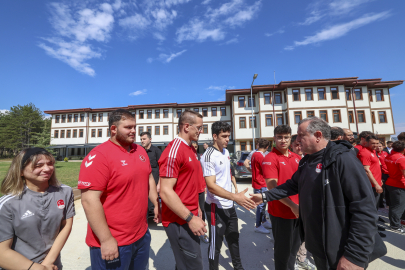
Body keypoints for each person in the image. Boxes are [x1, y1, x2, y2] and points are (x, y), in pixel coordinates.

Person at [250, 117, 386, 270]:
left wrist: (355, 256)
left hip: (341, 250)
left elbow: (364, 210)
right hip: (319, 246)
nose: (297, 139)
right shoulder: (307, 161)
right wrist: (264, 196)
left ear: (318, 136)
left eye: (301, 135)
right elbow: (292, 185)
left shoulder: (343, 159)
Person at [78, 109, 160, 270]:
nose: (134, 131)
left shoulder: (140, 150)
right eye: (128, 127)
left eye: (135, 127)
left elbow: (149, 177)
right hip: (114, 241)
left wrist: (155, 203)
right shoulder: (99, 156)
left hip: (141, 235)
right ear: (113, 129)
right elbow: (89, 200)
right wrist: (106, 239)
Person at [0, 148, 75, 270]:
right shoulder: (8, 204)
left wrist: (47, 262)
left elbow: (66, 225)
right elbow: (2, 253)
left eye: (50, 163)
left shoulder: (65, 192)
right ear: (21, 171)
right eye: (38, 165)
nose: (47, 169)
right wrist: (37, 268)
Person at [201, 121, 255, 270]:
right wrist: (235, 197)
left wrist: (235, 191)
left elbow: (227, 175)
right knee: (215, 244)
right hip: (215, 207)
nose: (227, 139)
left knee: (233, 239)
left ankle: (238, 267)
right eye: (224, 136)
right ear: (214, 136)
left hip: (229, 205)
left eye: (228, 136)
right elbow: (211, 186)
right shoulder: (208, 156)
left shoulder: (225, 152)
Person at [159, 110, 207, 270]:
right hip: (179, 220)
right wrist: (190, 218)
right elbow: (165, 191)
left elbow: (190, 184)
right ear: (187, 126)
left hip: (190, 216)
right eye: (199, 128)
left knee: (185, 264)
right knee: (192, 265)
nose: (201, 131)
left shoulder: (190, 149)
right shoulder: (174, 151)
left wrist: (198, 208)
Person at [261, 125, 302, 270]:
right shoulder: (270, 158)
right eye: (279, 137)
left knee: (294, 250)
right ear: (274, 139)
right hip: (281, 212)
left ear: (291, 138)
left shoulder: (297, 157)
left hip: (298, 212)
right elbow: (273, 188)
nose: (283, 140)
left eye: (286, 137)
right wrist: (293, 206)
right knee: (282, 252)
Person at [291, 136, 316, 270]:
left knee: (305, 236)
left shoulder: (307, 159)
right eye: (296, 145)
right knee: (294, 236)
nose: (299, 147)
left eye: (301, 144)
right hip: (293, 204)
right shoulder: (290, 159)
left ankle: (302, 259)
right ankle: (292, 260)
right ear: (292, 146)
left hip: (306, 204)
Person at [357, 135, 387, 237]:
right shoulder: (364, 152)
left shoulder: (373, 151)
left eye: (377, 143)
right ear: (366, 142)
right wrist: (376, 184)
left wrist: (380, 181)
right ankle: (371, 232)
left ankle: (374, 228)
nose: (375, 145)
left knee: (374, 208)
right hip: (371, 186)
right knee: (370, 209)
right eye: (373, 143)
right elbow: (366, 170)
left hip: (376, 184)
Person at [251, 138, 272, 234]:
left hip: (257, 182)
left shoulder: (254, 154)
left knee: (262, 204)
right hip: (261, 183)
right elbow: (265, 171)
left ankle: (263, 220)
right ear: (267, 147)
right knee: (261, 205)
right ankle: (258, 225)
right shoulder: (261, 156)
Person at [140, 131, 162, 217]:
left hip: (154, 183)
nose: (142, 141)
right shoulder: (140, 151)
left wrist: (159, 184)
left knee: (152, 205)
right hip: (142, 182)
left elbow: (162, 168)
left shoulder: (157, 151)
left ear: (150, 139)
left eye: (144, 139)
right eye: (141, 139)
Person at [384, 141, 405, 233]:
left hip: (391, 182)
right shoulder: (401, 158)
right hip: (399, 184)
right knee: (398, 206)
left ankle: (395, 223)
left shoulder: (389, 156)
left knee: (394, 205)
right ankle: (395, 226)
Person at [191, 141, 210, 244]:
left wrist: (204, 185)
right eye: (192, 146)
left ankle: (202, 233)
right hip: (190, 189)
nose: (194, 148)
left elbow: (204, 172)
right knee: (191, 211)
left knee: (201, 211)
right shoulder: (187, 156)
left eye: (196, 146)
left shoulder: (200, 157)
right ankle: (191, 233)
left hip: (200, 189)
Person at [376, 142, 389, 208]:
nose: (379, 148)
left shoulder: (385, 153)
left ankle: (388, 203)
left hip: (388, 173)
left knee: (387, 189)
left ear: (383, 146)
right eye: (377, 146)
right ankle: (380, 204)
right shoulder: (375, 154)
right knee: (381, 189)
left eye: (380, 146)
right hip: (381, 173)